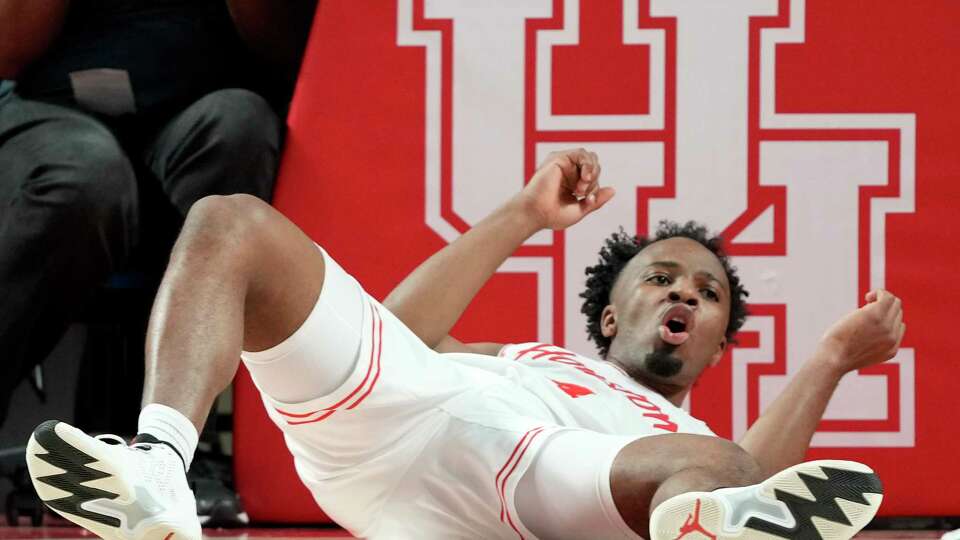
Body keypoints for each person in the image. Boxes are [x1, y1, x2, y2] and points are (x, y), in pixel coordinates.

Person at [24, 149, 903, 539]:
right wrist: (524, 214)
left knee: (728, 479)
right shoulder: (521, 358)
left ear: (714, 350)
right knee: (231, 224)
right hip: (403, 417)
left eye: (708, 294)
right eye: (663, 276)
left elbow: (752, 469)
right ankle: (158, 469)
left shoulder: (672, 445)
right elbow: (399, 333)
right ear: (607, 316)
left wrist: (829, 358)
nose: (685, 291)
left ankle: (693, 538)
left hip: (546, 482)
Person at [0, 0, 316, 428]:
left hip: (196, 113)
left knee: (240, 126)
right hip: (49, 109)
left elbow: (290, 51)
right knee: (86, 175)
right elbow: (10, 45)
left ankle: (156, 444)